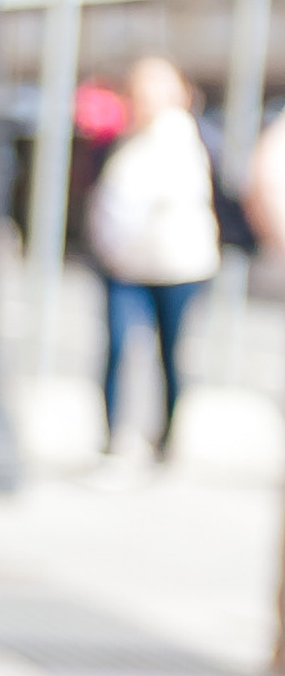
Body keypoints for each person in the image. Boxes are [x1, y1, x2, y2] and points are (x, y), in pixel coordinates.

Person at [87, 53, 219, 459]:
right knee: (119, 346)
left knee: (169, 355)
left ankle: (164, 438)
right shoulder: (123, 137)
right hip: (125, 265)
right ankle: (113, 437)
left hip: (177, 266)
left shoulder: (186, 136)